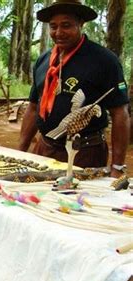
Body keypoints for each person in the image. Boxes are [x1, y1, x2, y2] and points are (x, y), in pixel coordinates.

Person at [18, 0, 130, 178]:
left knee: (74, 203)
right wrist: (21, 153)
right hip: (44, 148)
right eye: (53, 27)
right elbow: (33, 108)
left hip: (84, 153)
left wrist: (117, 166)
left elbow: (120, 113)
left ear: (81, 24)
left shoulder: (104, 61)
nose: (59, 33)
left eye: (66, 25)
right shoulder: (43, 61)